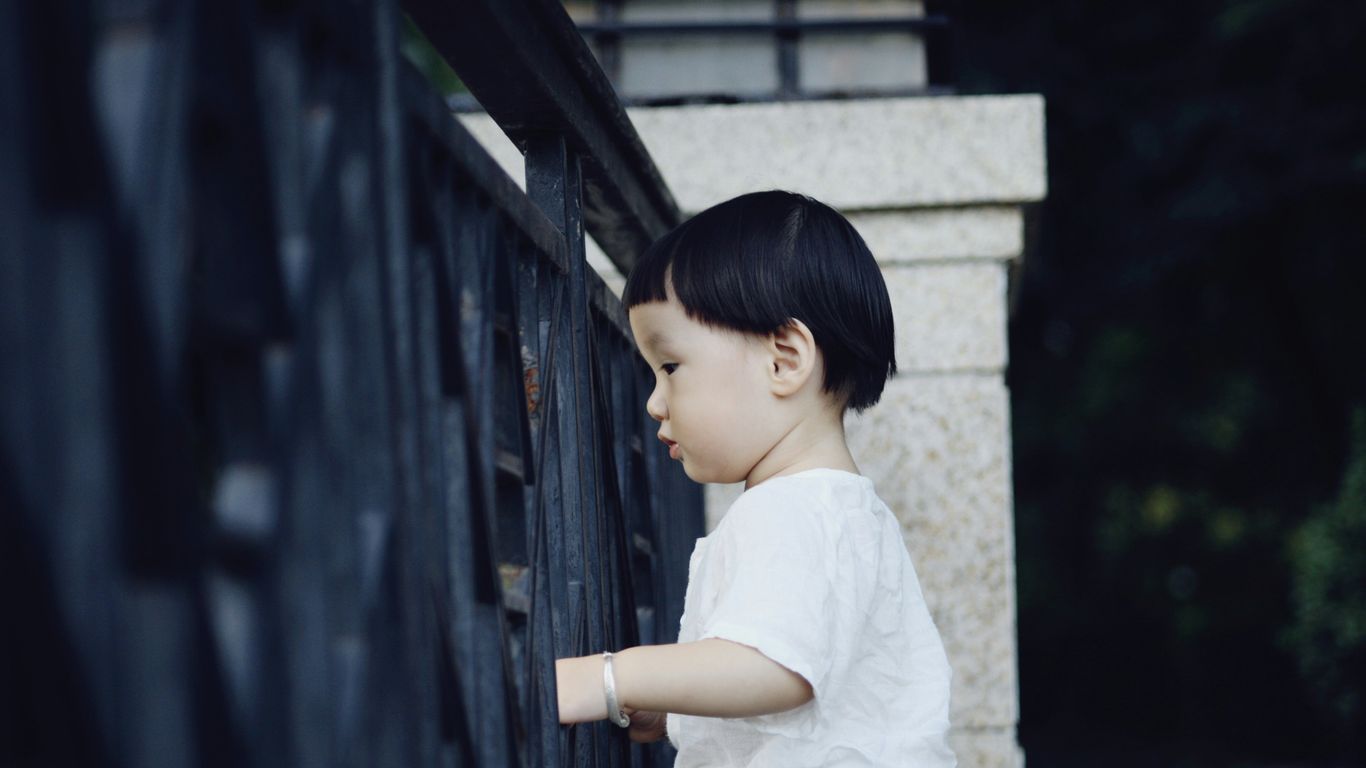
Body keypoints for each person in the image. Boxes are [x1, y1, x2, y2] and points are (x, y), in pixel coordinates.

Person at [555, 190, 956, 767]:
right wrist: (672, 712)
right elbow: (809, 687)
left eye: (670, 367)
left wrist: (610, 678)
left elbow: (773, 665)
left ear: (784, 360)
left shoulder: (792, 509)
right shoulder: (836, 509)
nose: (654, 403)